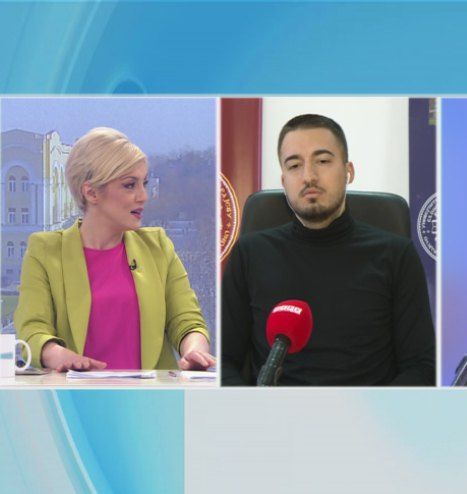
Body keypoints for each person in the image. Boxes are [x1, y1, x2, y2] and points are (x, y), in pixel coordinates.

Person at [222, 114, 436, 386]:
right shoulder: (250, 254)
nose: (308, 176)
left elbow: (421, 365)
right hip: (275, 410)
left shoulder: (396, 255)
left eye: (322, 161)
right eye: (294, 165)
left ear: (348, 171)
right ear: (284, 180)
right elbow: (225, 361)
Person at [14, 127, 215, 372]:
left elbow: (187, 321)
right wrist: (58, 355)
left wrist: (194, 349)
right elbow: (33, 329)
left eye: (144, 183)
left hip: (151, 392)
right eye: (130, 185)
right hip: (76, 392)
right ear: (91, 192)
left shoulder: (158, 246)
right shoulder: (45, 251)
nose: (143, 196)